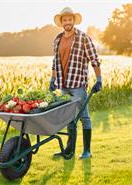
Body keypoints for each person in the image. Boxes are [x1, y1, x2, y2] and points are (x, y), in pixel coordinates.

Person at [49, 7, 102, 159]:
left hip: (78, 85)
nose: (67, 22)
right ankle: (68, 150)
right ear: (61, 22)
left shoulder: (83, 38)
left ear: (73, 21)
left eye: (70, 19)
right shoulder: (57, 39)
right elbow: (55, 62)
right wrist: (52, 80)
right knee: (68, 118)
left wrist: (99, 80)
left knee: (84, 117)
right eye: (64, 20)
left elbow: (94, 59)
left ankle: (87, 151)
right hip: (63, 85)